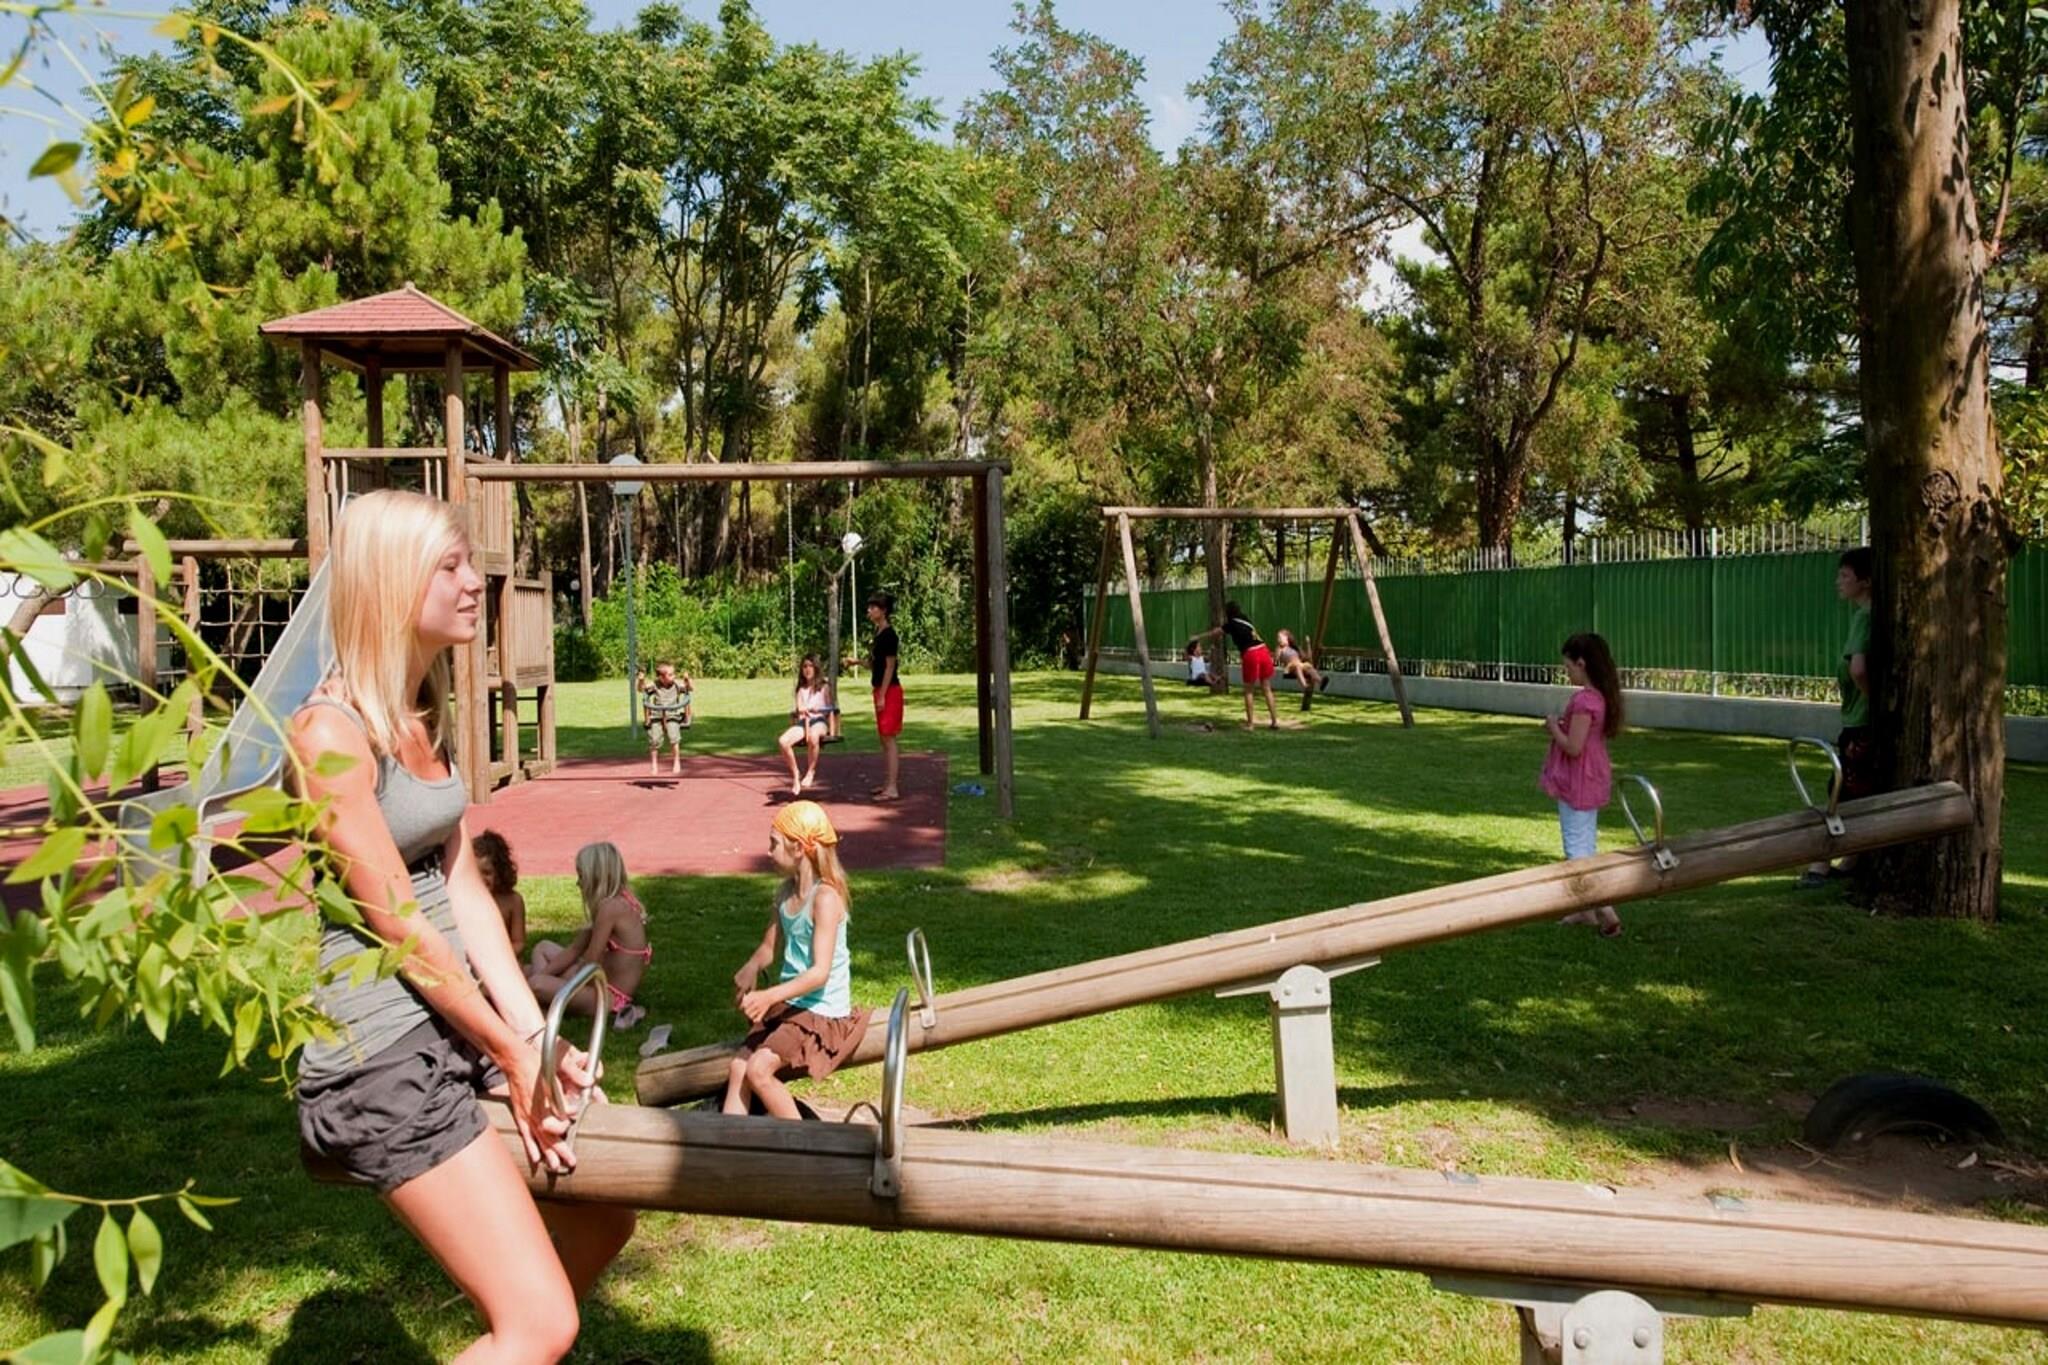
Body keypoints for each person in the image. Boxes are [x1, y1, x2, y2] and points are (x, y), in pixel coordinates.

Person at [290, 490, 633, 1363]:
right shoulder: (330, 734)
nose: (474, 581)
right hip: (379, 1056)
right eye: (448, 566)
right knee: (542, 1323)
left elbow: (465, 891)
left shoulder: (420, 710)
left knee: (605, 1214)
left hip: (455, 1023)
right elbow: (401, 924)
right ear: (390, 581)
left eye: (467, 561)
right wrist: (511, 1051)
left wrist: (534, 1035)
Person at [723, 802, 873, 1118]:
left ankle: (808, 1142)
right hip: (793, 1006)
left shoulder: (825, 898)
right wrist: (751, 967)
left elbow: (819, 973)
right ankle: (728, 1143)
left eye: (774, 843)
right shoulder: (785, 894)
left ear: (800, 848)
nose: (768, 851)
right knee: (739, 1067)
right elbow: (768, 948)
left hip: (821, 1012)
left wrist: (768, 996)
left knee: (759, 1070)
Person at [1803, 547, 1878, 887]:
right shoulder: (1869, 615)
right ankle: (1852, 860)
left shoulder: (1864, 617)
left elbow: (1858, 669)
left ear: (1866, 581)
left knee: (1841, 791)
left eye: (1845, 575)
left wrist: (1872, 700)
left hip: (1860, 723)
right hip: (1860, 720)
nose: (1838, 581)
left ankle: (1819, 865)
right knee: (1859, 789)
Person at [1542, 632, 1625, 937]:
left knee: (1575, 849)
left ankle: (1606, 910)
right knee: (1586, 843)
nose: (1567, 672)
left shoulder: (1584, 700)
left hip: (1577, 781)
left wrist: (1553, 726)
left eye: (1568, 667)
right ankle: (1584, 910)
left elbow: (1573, 747)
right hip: (1591, 778)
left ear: (1582, 663)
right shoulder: (1601, 697)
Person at [528, 841, 653, 1031]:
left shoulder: (610, 908)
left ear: (596, 877)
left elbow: (591, 962)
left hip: (609, 997)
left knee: (537, 983)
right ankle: (539, 997)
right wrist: (548, 974)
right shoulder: (618, 901)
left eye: (581, 876)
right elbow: (575, 949)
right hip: (599, 981)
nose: (578, 883)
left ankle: (536, 1002)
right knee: (542, 948)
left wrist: (557, 979)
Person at [1189, 600, 1281, 730]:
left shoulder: (1231, 624)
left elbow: (1215, 632)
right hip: (1263, 650)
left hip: (1251, 653)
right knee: (1266, 688)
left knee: (1248, 690)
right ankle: (1274, 721)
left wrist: (1198, 637)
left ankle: (1250, 724)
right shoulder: (1245, 619)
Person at [864, 592, 903, 802]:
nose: (869, 611)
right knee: (883, 739)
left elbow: (889, 667)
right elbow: (875, 664)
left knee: (889, 739)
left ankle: (893, 788)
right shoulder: (878, 634)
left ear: (884, 610)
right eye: (869, 607)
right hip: (880, 688)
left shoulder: (889, 635)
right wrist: (856, 662)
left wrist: (882, 695)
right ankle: (888, 783)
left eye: (873, 607)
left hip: (890, 691)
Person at [778, 654, 835, 796]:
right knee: (783, 741)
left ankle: (811, 771)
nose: (807, 669)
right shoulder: (800, 689)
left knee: (814, 736)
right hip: (804, 723)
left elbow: (830, 708)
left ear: (816, 668)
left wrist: (819, 710)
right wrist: (801, 710)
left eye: (810, 666)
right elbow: (799, 708)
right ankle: (796, 773)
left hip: (819, 721)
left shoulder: (824, 687)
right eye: (804, 666)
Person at [472, 829, 525, 959]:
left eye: (487, 872)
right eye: (475, 872)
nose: (481, 879)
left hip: (504, 960)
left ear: (500, 872)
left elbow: (519, 943)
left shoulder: (513, 901)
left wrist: (497, 958)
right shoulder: (466, 901)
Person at [637, 662, 691, 777]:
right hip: (657, 715)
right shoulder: (655, 685)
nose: (673, 676)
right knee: (654, 740)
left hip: (672, 715)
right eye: (670, 675)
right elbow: (641, 689)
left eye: (673, 674)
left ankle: (676, 761)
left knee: (673, 737)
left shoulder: (676, 685)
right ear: (661, 677)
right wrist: (641, 680)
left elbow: (689, 689)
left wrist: (687, 680)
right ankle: (654, 764)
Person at [1273, 628, 1329, 695]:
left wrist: (1308, 643)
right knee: (1297, 666)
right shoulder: (1280, 649)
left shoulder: (1295, 648)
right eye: (1278, 638)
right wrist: (1278, 651)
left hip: (1300, 665)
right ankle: (1305, 687)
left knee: (1308, 665)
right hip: (1289, 667)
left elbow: (1308, 658)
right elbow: (1276, 660)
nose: (1278, 640)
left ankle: (1320, 681)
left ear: (1287, 637)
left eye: (1280, 638)